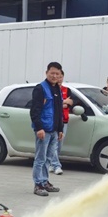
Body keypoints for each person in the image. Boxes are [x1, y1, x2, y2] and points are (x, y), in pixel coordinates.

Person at [29, 62, 64, 196]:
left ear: (60, 75)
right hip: (43, 130)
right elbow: (34, 110)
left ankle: (45, 182)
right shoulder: (40, 88)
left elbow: (59, 111)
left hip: (54, 130)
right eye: (52, 73)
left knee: (49, 158)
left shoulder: (57, 89)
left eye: (57, 74)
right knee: (40, 158)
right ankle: (38, 184)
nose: (54, 76)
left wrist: (60, 129)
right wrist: (39, 128)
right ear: (46, 73)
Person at [48, 70, 74, 175]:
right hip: (53, 120)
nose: (58, 78)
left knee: (59, 144)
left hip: (64, 120)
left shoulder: (67, 90)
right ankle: (57, 165)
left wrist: (63, 103)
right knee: (53, 143)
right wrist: (63, 102)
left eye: (60, 76)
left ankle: (51, 163)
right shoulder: (50, 89)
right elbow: (52, 104)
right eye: (57, 76)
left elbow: (69, 103)